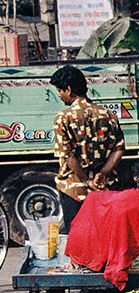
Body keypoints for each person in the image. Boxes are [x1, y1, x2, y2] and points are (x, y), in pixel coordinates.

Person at [50, 66, 125, 234]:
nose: (59, 95)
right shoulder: (108, 115)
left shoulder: (63, 118)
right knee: (104, 236)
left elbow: (68, 156)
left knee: (79, 239)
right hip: (104, 189)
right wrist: (103, 173)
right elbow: (119, 149)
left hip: (74, 191)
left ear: (69, 89)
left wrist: (86, 181)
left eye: (60, 90)